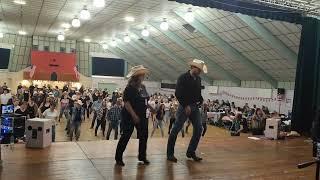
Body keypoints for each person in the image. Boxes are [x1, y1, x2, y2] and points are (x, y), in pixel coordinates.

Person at [167, 59, 207, 162]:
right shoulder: (183, 77)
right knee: (176, 129)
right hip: (184, 107)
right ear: (193, 67)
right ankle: (170, 154)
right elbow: (178, 93)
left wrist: (201, 100)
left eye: (200, 70)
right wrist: (185, 105)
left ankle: (191, 152)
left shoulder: (198, 79)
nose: (199, 72)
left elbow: (198, 93)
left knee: (199, 129)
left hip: (194, 107)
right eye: (198, 69)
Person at [115, 65, 154, 166]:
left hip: (142, 115)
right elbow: (127, 103)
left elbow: (144, 100)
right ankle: (118, 157)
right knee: (126, 135)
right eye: (142, 75)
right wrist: (133, 115)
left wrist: (151, 107)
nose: (144, 76)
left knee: (144, 135)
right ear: (137, 76)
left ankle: (142, 156)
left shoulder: (143, 87)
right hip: (129, 115)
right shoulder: (129, 88)